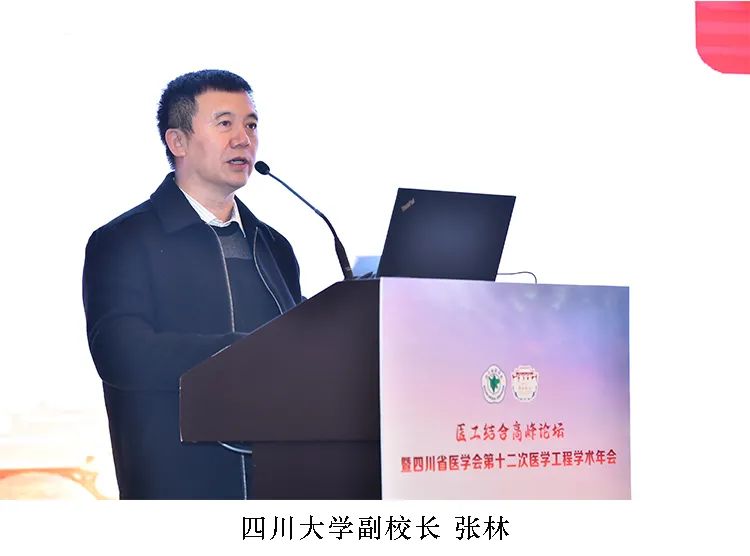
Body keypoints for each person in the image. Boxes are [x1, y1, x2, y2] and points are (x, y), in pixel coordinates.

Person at [82, 69, 302, 499]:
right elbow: (120, 353)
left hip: (280, 484)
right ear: (178, 142)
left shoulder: (273, 245)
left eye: (251, 125)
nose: (243, 139)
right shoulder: (124, 240)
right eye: (225, 124)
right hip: (178, 484)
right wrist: (239, 352)